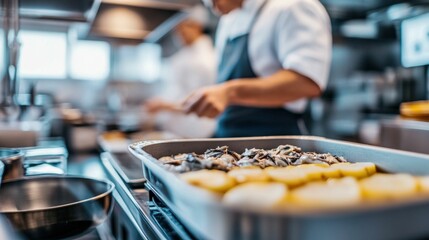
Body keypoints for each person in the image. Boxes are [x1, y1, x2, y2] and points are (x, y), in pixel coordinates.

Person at [183, 0, 332, 137]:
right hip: (227, 139)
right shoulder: (228, 20)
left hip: (275, 144)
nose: (210, 6)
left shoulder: (293, 7)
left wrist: (230, 92)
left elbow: (306, 83)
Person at [145, 6, 217, 138]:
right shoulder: (184, 55)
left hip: (196, 131)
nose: (179, 34)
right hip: (177, 129)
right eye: (177, 30)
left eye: (184, 27)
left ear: (197, 27)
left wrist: (164, 105)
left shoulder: (206, 60)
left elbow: (198, 100)